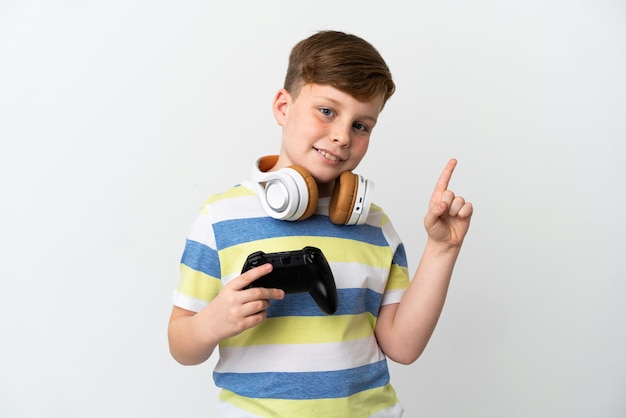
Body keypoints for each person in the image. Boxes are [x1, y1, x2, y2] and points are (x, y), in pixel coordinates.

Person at [168, 30, 473, 417]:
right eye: (327, 111)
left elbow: (403, 347)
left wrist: (442, 249)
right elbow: (181, 345)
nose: (342, 136)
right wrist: (210, 323)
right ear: (283, 106)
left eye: (361, 125)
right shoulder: (221, 217)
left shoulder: (375, 227)